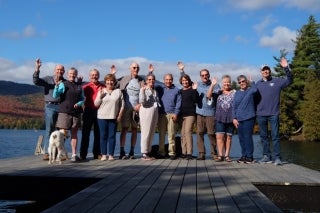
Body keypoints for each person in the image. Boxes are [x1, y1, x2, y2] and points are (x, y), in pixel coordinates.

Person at [178, 62, 220, 160]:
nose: (204, 77)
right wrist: (181, 71)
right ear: (200, 77)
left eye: (206, 75)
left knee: (211, 133)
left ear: (209, 75)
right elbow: (185, 81)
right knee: (199, 133)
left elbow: (210, 96)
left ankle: (214, 153)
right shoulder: (197, 85)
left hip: (210, 113)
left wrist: (212, 85)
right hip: (199, 113)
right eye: (202, 75)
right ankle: (201, 153)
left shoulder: (215, 85)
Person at [256, 57, 293, 166]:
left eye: (267, 69)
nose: (265, 71)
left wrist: (286, 67)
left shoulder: (277, 81)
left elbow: (289, 80)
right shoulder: (258, 84)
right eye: (263, 70)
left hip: (273, 113)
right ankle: (266, 156)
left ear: (270, 71)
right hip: (261, 114)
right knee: (263, 136)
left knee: (275, 136)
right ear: (261, 72)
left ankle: (277, 157)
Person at [33, 58, 66, 159]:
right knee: (50, 130)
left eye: (61, 70)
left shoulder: (65, 82)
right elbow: (36, 81)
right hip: (50, 106)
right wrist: (37, 69)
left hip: (61, 107)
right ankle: (47, 153)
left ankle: (58, 153)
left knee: (62, 131)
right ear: (54, 70)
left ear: (64, 72)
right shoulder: (48, 79)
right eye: (57, 69)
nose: (59, 71)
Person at [53, 67, 84, 162]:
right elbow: (55, 95)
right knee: (61, 135)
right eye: (70, 73)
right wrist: (57, 87)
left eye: (74, 73)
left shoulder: (79, 86)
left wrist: (79, 104)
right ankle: (60, 154)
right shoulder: (63, 84)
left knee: (74, 134)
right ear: (67, 75)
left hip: (76, 113)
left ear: (76, 75)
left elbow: (83, 99)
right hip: (64, 112)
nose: (72, 75)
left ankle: (74, 154)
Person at [114, 62, 145, 159]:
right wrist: (114, 74)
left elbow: (146, 90)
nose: (136, 69)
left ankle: (132, 151)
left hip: (136, 110)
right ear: (130, 68)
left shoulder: (141, 80)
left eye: (137, 68)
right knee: (124, 129)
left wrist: (140, 105)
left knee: (135, 130)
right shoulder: (124, 79)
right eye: (134, 67)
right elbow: (114, 84)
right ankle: (122, 151)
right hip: (126, 108)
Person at [94, 74, 124, 161]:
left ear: (114, 82)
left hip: (113, 117)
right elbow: (96, 104)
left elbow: (122, 105)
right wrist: (100, 97)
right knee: (103, 136)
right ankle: (103, 155)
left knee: (112, 136)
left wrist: (120, 115)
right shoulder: (101, 91)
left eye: (111, 81)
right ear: (105, 82)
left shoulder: (118, 91)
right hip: (102, 117)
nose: (109, 82)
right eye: (108, 81)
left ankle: (111, 155)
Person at [207, 75, 235, 162]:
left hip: (230, 118)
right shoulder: (218, 92)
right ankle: (220, 155)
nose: (226, 84)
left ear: (230, 83)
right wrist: (212, 85)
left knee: (228, 137)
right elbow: (208, 96)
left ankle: (227, 155)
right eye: (225, 82)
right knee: (219, 137)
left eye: (228, 82)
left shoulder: (234, 93)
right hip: (219, 118)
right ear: (222, 83)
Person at [80, 69, 105, 161]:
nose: (94, 76)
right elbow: (80, 98)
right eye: (92, 75)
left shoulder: (103, 86)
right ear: (89, 76)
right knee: (85, 134)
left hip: (99, 112)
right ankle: (83, 154)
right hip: (88, 111)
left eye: (96, 75)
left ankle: (97, 153)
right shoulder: (85, 87)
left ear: (98, 76)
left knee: (98, 134)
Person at [155, 73, 181, 160]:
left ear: (172, 80)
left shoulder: (176, 90)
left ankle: (172, 153)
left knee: (171, 135)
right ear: (164, 80)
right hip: (162, 114)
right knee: (161, 135)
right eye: (166, 79)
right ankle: (161, 152)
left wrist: (176, 113)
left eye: (170, 79)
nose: (168, 81)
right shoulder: (160, 88)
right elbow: (150, 82)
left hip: (172, 114)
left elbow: (178, 103)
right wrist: (150, 72)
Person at [232, 75, 257, 164]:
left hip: (249, 117)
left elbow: (255, 90)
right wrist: (234, 118)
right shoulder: (237, 93)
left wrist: (252, 82)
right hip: (239, 119)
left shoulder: (251, 90)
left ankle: (250, 156)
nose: (242, 83)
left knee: (247, 137)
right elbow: (234, 106)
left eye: (243, 81)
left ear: (246, 82)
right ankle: (244, 155)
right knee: (241, 138)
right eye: (240, 82)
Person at [139, 69, 160, 160]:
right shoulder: (143, 89)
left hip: (154, 112)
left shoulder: (155, 91)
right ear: (146, 81)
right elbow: (142, 101)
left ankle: (148, 151)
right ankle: (144, 153)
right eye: (149, 79)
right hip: (146, 112)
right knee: (146, 132)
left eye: (153, 79)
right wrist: (143, 92)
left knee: (151, 133)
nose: (151, 81)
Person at [179, 73, 199, 160]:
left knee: (188, 132)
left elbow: (196, 100)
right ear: (181, 82)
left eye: (186, 80)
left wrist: (194, 90)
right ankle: (184, 152)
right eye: (183, 80)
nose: (184, 82)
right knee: (182, 134)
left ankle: (189, 153)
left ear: (189, 81)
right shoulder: (180, 91)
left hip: (190, 114)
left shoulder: (192, 90)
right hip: (182, 115)